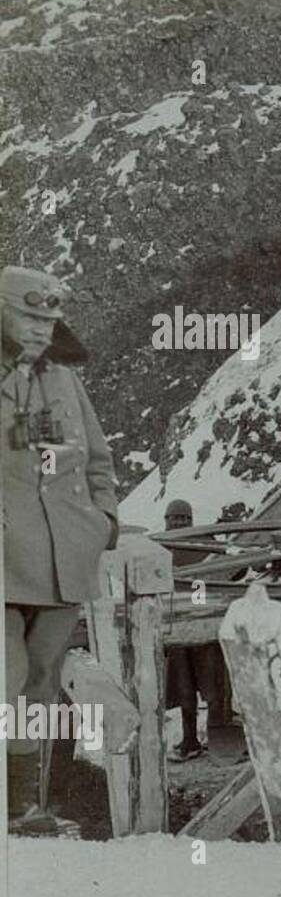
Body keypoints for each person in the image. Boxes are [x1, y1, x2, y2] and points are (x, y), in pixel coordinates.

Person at [2, 265, 118, 835]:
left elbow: (97, 458)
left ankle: (20, 808)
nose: (42, 329)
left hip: (63, 555)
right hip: (4, 557)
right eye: (29, 316)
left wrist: (105, 522)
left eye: (50, 320)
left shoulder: (65, 380)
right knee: (6, 674)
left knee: (40, 683)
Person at [160, 498, 231, 762]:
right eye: (175, 518)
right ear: (166, 521)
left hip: (205, 625)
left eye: (185, 518)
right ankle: (190, 741)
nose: (180, 522)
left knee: (214, 688)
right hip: (175, 629)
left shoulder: (205, 543)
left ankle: (219, 741)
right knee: (184, 691)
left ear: (192, 521)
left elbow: (236, 569)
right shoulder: (157, 548)